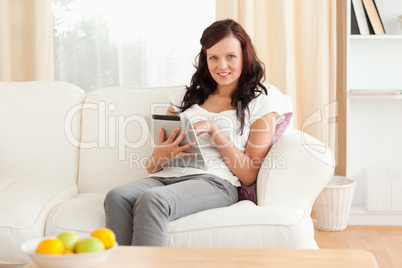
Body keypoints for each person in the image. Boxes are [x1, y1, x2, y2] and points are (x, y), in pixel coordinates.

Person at [104, 19, 285, 246]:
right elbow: (152, 166)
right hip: (167, 176)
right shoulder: (185, 97)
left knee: (152, 200)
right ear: (205, 59)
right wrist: (164, 153)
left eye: (230, 56)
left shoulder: (261, 101)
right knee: (117, 196)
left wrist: (214, 130)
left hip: (215, 181)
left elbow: (249, 174)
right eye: (214, 57)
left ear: (244, 56)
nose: (222, 66)